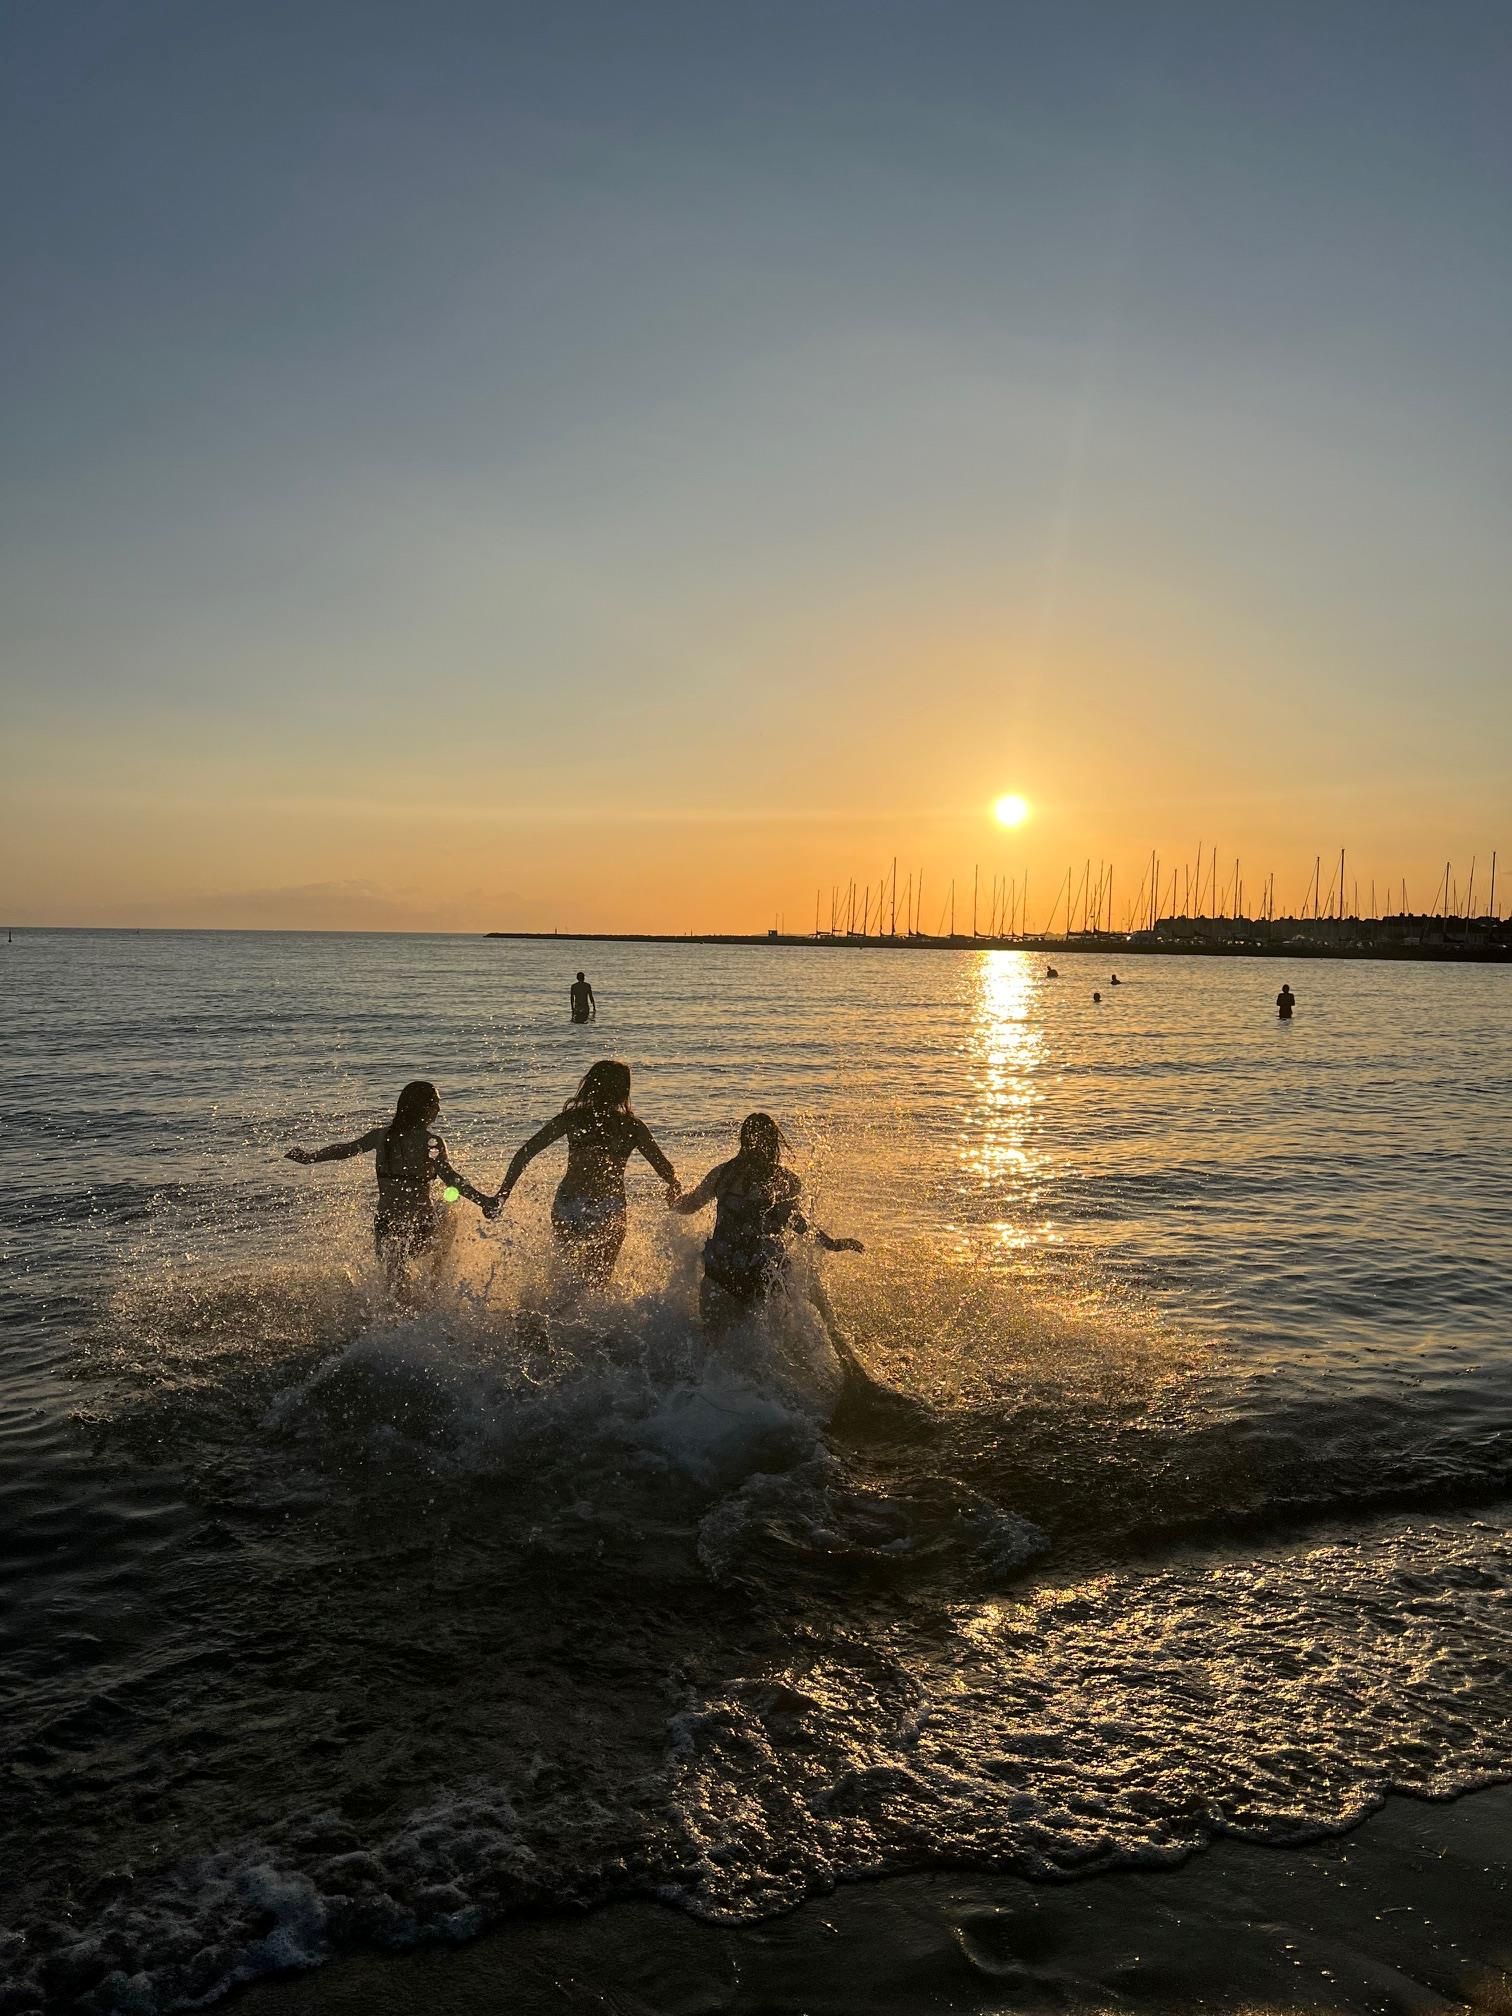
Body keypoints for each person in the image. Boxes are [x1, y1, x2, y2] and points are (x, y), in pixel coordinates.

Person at [673, 1113, 864, 1358]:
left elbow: (688, 1206)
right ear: (774, 1142)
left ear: (743, 1141)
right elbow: (796, 1222)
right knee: (766, 1351)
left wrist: (673, 1196)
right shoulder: (786, 1181)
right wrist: (831, 1243)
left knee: (714, 1349)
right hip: (762, 1273)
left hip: (721, 1271)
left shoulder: (723, 1174)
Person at [285, 1080, 493, 1298]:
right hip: (421, 1229)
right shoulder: (431, 1142)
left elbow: (345, 1150)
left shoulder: (381, 1136)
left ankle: (387, 1328)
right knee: (449, 1216)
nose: (438, 1109)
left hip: (386, 1228)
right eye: (435, 1104)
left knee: (395, 1289)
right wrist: (484, 1201)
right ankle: (434, 1285)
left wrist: (311, 1157)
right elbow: (452, 1179)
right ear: (421, 1108)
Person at [494, 1060, 677, 1286]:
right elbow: (665, 1169)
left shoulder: (572, 1119)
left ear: (590, 1085)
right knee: (596, 1282)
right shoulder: (632, 1127)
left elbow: (525, 1153)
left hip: (569, 1202)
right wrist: (675, 1188)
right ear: (624, 1091)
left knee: (567, 1277)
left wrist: (503, 1195)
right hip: (609, 1206)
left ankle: (541, 1317)